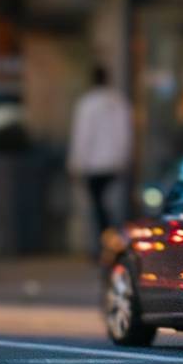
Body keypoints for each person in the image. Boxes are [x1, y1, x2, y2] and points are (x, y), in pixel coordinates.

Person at [67, 66, 132, 254]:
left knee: (98, 209)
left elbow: (83, 136)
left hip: (93, 165)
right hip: (115, 164)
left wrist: (76, 162)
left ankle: (103, 247)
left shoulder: (87, 104)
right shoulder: (120, 102)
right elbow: (126, 134)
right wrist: (124, 157)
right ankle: (115, 245)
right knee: (114, 208)